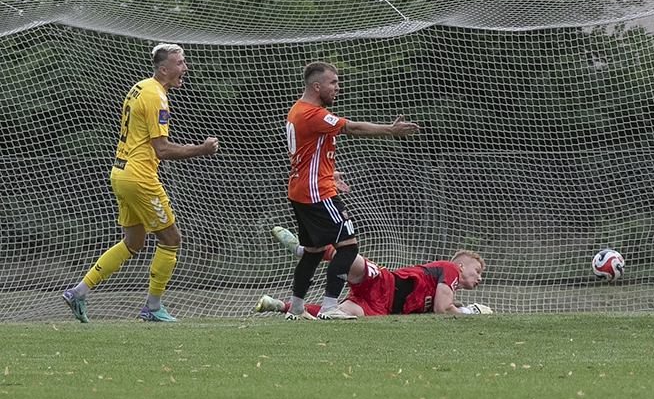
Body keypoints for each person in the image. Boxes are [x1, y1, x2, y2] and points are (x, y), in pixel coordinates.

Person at [62, 43, 219, 323]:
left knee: (134, 241)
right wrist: (201, 149)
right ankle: (152, 307)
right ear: (163, 69)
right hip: (139, 177)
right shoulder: (156, 97)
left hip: (120, 172)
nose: (185, 68)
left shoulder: (140, 86)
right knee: (171, 239)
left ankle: (79, 292)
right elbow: (162, 150)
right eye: (180, 63)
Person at [278, 61, 419, 321]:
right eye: (333, 82)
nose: (337, 87)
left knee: (314, 251)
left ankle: (296, 308)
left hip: (302, 189)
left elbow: (306, 154)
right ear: (317, 85)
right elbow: (351, 128)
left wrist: (328, 173)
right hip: (317, 193)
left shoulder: (297, 110)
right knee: (348, 247)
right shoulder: (312, 113)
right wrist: (390, 129)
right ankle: (330, 307)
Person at [256, 228, 490, 318]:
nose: (479, 278)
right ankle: (303, 249)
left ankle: (278, 305)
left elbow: (441, 305)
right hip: (385, 283)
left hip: (382, 308)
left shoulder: (449, 292)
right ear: (461, 266)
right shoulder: (449, 270)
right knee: (348, 255)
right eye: (477, 271)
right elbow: (442, 309)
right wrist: (470, 311)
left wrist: (462, 307)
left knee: (336, 315)